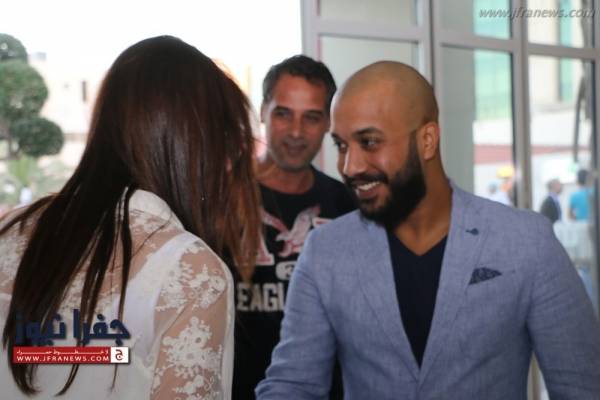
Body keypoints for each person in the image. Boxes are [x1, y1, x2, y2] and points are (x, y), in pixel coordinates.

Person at [256, 61, 600, 399]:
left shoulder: (526, 241)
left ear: (427, 140)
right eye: (341, 145)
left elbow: (582, 385)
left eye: (370, 142)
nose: (350, 166)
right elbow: (293, 384)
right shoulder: (325, 251)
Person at [0, 36, 261, 399]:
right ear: (197, 143)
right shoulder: (190, 271)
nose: (228, 165)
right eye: (226, 142)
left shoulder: (10, 232)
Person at [233, 55, 354, 399]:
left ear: (328, 122)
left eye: (311, 117)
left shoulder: (348, 206)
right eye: (283, 114)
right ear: (263, 112)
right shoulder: (220, 199)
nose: (297, 132)